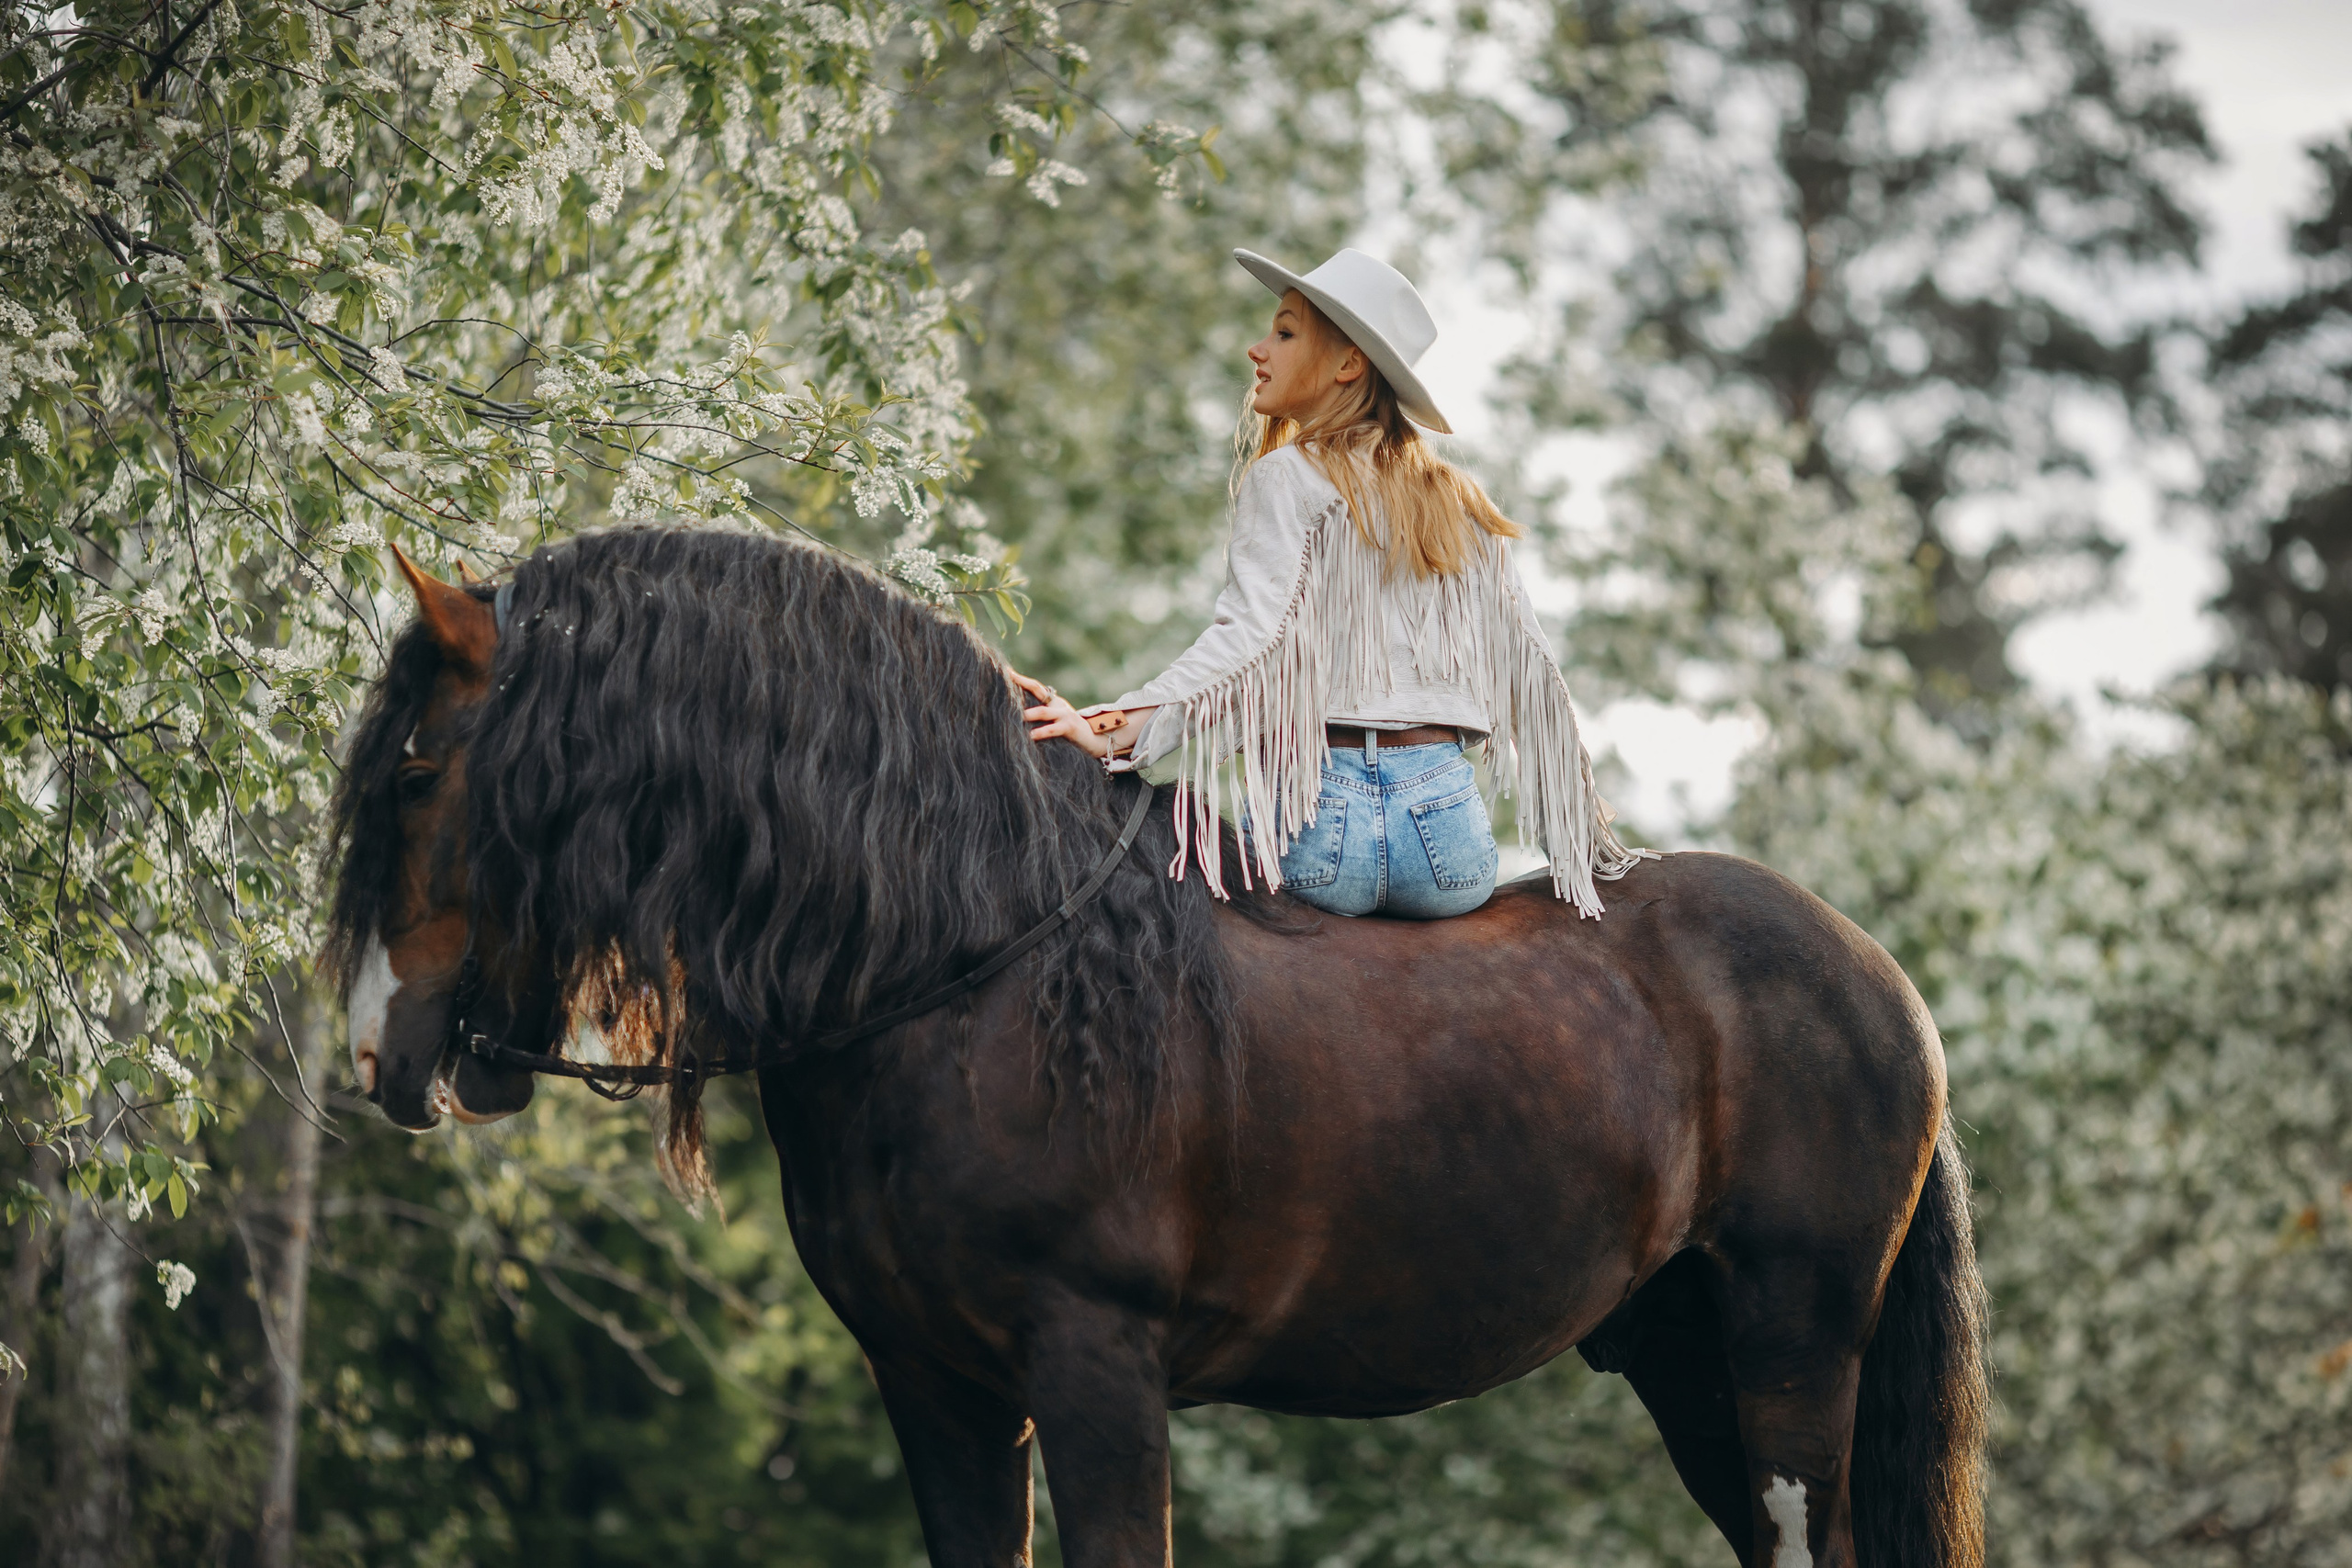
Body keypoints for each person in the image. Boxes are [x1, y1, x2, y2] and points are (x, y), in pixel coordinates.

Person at [1014, 247, 1648, 919]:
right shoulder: (1460, 503)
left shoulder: (1287, 476)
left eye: (1285, 333)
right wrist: (1583, 842)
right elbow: (1532, 670)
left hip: (1323, 827)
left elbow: (1250, 644)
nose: (1258, 349)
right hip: (1451, 843)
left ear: (1349, 364)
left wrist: (1108, 728)